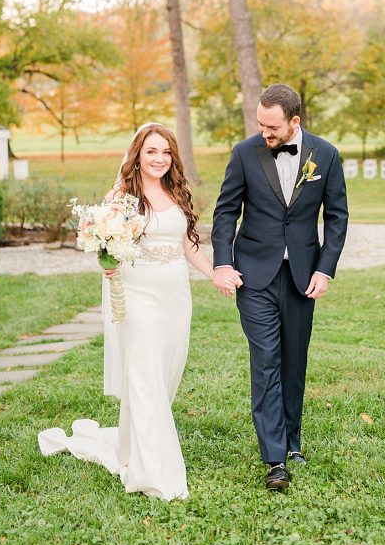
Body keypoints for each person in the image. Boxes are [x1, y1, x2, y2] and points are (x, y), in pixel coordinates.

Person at [38, 123, 236, 500]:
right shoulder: (122, 196)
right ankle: (154, 472)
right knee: (144, 377)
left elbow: (189, 245)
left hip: (175, 298)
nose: (159, 159)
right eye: (151, 152)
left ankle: (130, 447)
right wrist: (106, 260)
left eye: (165, 152)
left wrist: (216, 274)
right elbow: (103, 241)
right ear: (138, 155)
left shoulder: (178, 191)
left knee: (163, 376)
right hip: (137, 295)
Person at [211, 83, 348, 491]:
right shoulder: (244, 152)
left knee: (294, 359)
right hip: (254, 275)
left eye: (272, 127)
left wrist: (325, 270)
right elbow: (225, 212)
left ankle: (292, 441)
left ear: (295, 121)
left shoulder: (325, 154)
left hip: (302, 276)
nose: (264, 133)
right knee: (266, 359)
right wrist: (222, 262)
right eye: (259, 124)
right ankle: (275, 459)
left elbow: (337, 217)